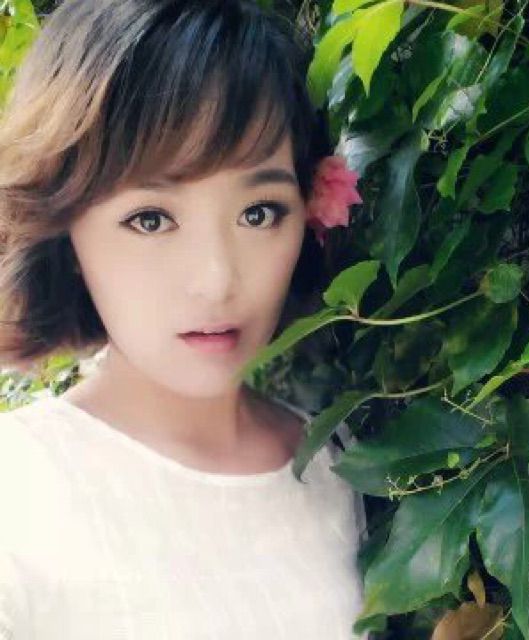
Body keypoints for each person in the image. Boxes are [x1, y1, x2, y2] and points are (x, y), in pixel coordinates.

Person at [0, 1, 368, 637]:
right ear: (67, 231)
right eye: (151, 219)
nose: (217, 279)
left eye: (258, 213)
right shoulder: (21, 489)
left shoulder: (336, 463)